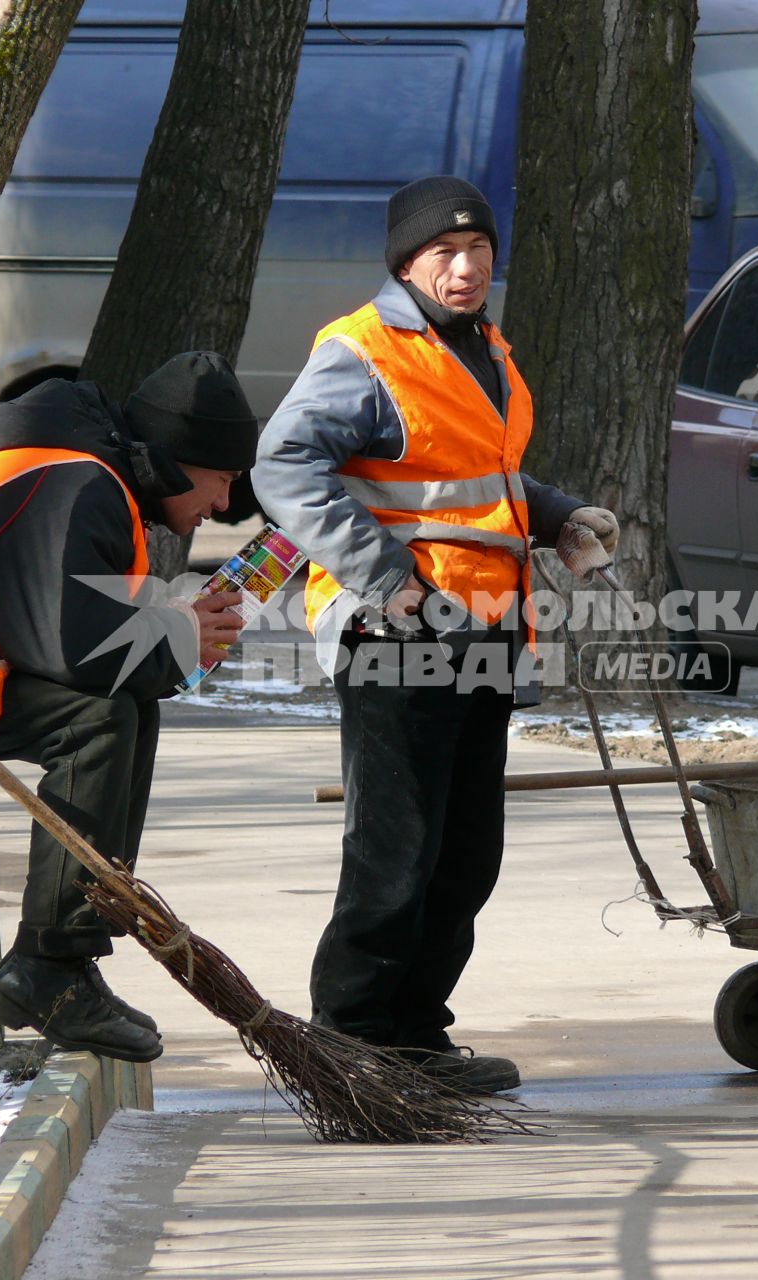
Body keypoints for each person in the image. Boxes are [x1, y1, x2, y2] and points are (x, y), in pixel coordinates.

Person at [252, 175, 619, 1093]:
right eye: (443, 254)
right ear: (406, 263)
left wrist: (559, 517)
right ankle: (352, 1040)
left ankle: (416, 1037)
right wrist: (386, 582)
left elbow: (474, 485)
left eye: (479, 252)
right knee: (396, 851)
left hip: (484, 631)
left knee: (463, 858)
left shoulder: (484, 348)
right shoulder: (364, 350)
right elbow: (284, 468)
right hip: (400, 631)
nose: (465, 269)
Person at [0, 352, 258, 1062]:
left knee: (127, 711)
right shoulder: (74, 481)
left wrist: (178, 632)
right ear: (183, 460)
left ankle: (73, 953)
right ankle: (47, 967)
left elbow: (75, 630)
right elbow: (69, 647)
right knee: (98, 721)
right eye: (224, 479)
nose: (225, 504)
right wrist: (177, 634)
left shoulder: (92, 477)